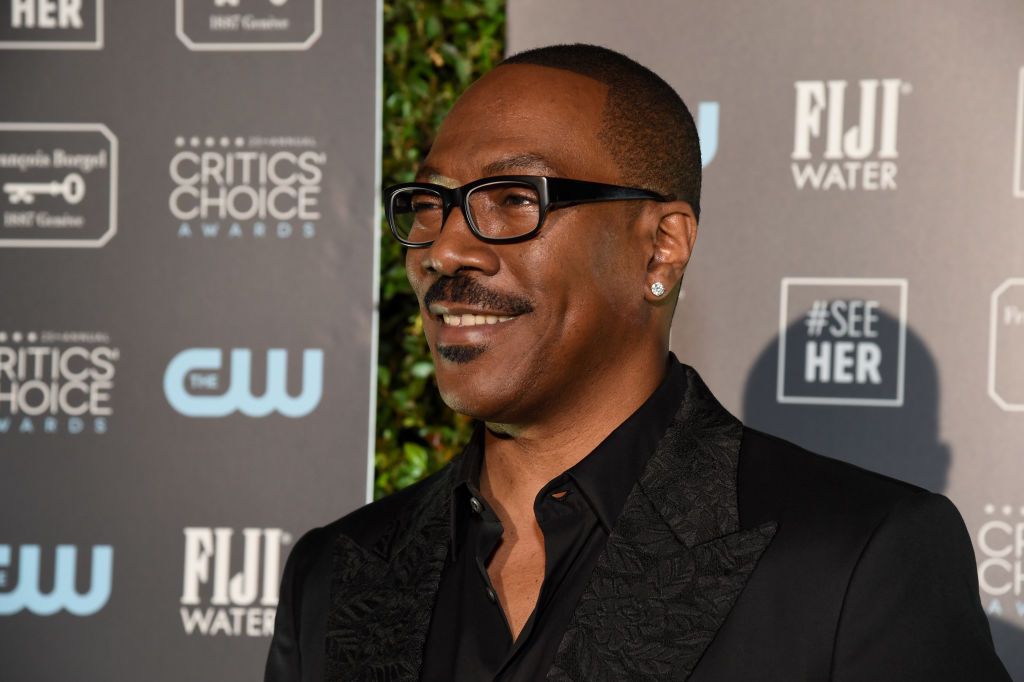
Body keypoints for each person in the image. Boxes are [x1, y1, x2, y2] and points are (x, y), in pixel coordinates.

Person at [264, 43, 1010, 682]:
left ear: (660, 247)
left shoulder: (859, 559)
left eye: (513, 198)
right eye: (431, 202)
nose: (445, 249)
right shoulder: (337, 571)